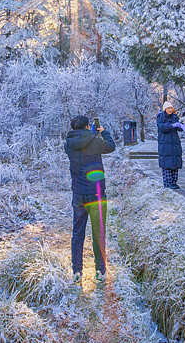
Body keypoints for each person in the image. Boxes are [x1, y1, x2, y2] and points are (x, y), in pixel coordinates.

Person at [64, 115, 116, 284]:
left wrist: (90, 134)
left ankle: (76, 271)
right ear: (88, 126)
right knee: (98, 233)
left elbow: (81, 141)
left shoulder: (68, 145)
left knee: (77, 233)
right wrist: (103, 132)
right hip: (97, 194)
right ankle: (100, 271)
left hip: (78, 194)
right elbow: (111, 147)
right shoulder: (95, 141)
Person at [157, 101, 185, 189]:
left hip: (174, 144)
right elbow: (162, 127)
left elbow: (179, 128)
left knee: (175, 163)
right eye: (168, 108)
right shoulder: (161, 117)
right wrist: (172, 126)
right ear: (165, 109)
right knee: (167, 164)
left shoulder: (175, 117)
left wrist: (181, 125)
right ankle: (167, 183)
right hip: (165, 144)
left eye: (171, 108)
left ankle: (174, 182)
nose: (170, 110)